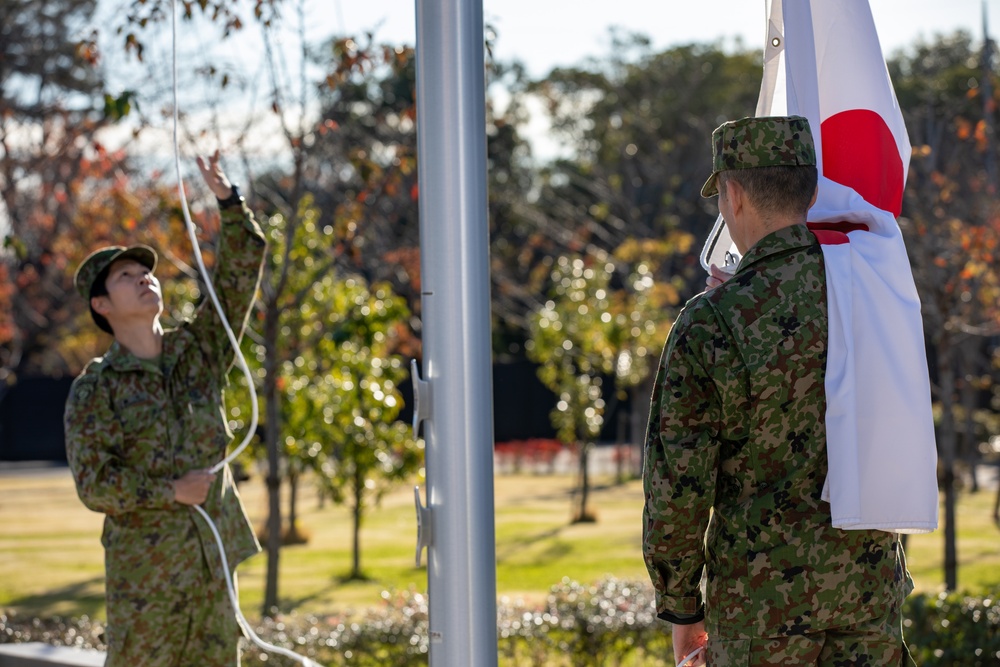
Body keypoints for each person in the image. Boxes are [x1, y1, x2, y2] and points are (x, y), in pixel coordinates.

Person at [642, 116, 915, 666]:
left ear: (734, 194)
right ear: (810, 190)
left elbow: (678, 488)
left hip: (758, 614)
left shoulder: (710, 322)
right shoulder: (875, 294)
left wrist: (681, 610)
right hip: (866, 602)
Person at [64, 151, 265, 667]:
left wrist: (229, 202)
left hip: (211, 562)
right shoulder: (96, 390)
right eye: (126, 276)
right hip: (146, 579)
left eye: (145, 272)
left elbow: (238, 281)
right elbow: (96, 485)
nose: (144, 278)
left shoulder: (200, 351)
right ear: (102, 306)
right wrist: (170, 492)